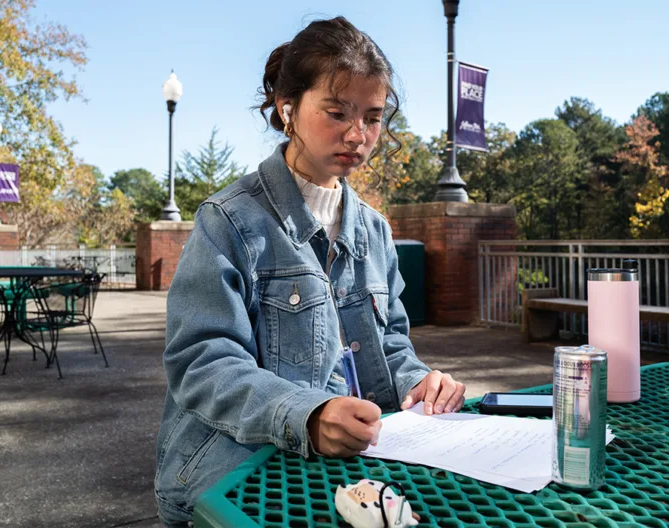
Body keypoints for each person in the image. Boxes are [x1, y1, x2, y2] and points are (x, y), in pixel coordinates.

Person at [154, 16, 466, 527]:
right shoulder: (229, 220)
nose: (358, 134)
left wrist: (418, 384)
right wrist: (308, 414)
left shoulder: (375, 231)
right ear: (288, 109)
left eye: (372, 116)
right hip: (235, 479)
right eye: (337, 112)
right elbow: (202, 364)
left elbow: (389, 344)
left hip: (346, 481)